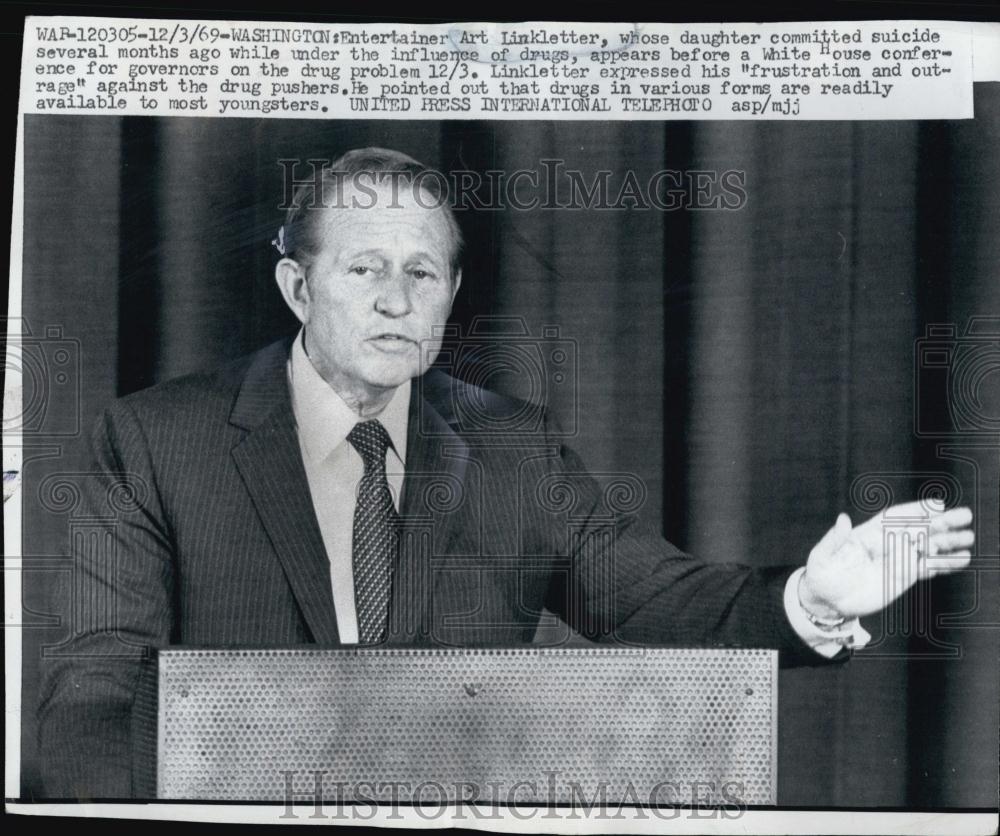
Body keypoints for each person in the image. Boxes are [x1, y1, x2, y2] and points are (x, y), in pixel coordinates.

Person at [37, 148, 975, 799]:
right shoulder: (157, 442)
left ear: (452, 290)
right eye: (363, 269)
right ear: (296, 287)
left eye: (424, 272)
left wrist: (811, 598)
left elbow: (654, 602)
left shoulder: (511, 449)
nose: (398, 300)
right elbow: (93, 700)